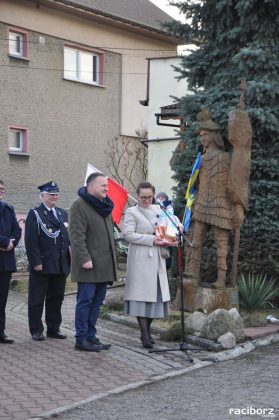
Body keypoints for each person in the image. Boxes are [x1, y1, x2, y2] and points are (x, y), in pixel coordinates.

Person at [123, 181, 175, 349]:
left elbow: (169, 226)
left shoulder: (160, 210)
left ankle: (148, 330)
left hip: (158, 259)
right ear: (138, 196)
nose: (146, 200)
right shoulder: (131, 212)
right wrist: (153, 239)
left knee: (154, 297)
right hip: (141, 258)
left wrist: (171, 236)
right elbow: (128, 235)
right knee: (142, 296)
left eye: (149, 197)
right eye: (143, 197)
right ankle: (144, 334)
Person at [69, 173, 117, 352]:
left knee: (96, 303)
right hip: (89, 265)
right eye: (103, 185)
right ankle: (81, 339)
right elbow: (76, 235)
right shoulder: (79, 205)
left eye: (107, 185)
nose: (106, 188)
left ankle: (91, 336)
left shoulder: (104, 206)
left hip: (104, 265)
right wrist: (84, 258)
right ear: (90, 186)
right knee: (85, 302)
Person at [189, 110, 233, 288]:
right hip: (201, 206)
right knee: (195, 241)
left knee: (221, 246)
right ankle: (192, 274)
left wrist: (236, 207)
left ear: (214, 136)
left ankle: (221, 279)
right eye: (200, 136)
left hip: (220, 206)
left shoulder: (225, 158)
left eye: (205, 135)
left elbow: (235, 184)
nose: (202, 138)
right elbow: (197, 185)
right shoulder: (201, 159)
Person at [25, 181, 70, 341]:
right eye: (51, 194)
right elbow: (31, 241)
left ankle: (53, 328)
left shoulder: (62, 213)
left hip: (60, 264)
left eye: (56, 194)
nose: (54, 197)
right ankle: (36, 329)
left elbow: (66, 238)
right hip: (42, 264)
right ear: (42, 196)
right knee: (37, 299)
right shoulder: (35, 213)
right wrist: (36, 262)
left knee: (56, 298)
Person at [0, 180, 21, 344]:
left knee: (2, 299)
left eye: (2, 188)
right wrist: (4, 241)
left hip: (5, 261)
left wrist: (12, 243)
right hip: (4, 248)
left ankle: (0, 332)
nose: (1, 191)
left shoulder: (8, 208)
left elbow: (17, 230)